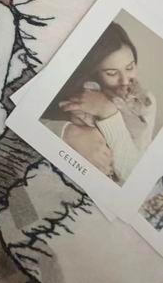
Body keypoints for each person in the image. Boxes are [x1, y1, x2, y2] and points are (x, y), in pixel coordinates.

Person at [43, 22, 156, 183]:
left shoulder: (146, 101)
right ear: (93, 71)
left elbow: (132, 173)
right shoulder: (80, 92)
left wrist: (108, 111)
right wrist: (68, 133)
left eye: (130, 67)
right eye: (111, 73)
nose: (125, 81)